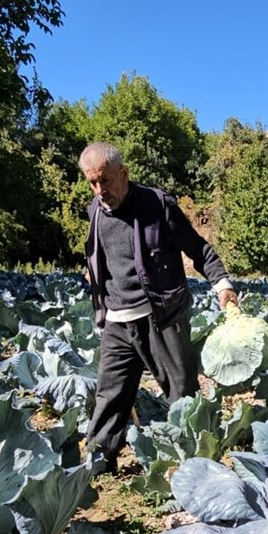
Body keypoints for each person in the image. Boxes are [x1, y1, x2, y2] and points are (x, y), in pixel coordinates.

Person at [79, 142, 238, 471]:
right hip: (117, 321)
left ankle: (200, 467)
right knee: (109, 397)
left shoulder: (156, 204)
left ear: (123, 173)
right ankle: (96, 465)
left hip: (160, 317)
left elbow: (198, 248)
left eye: (105, 180)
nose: (99, 190)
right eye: (92, 183)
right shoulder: (95, 210)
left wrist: (223, 286)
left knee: (182, 395)